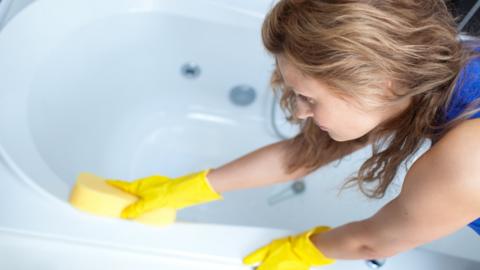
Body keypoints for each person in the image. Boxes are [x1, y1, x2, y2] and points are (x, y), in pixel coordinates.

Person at [106, 0, 480, 269]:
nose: (300, 112)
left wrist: (304, 249)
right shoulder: (436, 64)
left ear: (380, 84)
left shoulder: (466, 162)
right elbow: (307, 151)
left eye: (308, 98)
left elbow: (374, 240)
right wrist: (192, 187)